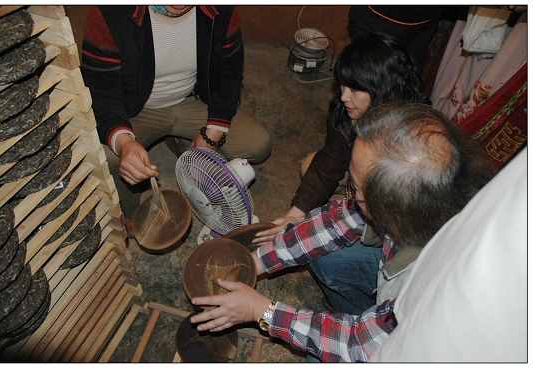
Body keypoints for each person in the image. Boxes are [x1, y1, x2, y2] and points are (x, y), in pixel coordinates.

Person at [189, 103, 493, 362]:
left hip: (422, 347)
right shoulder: (426, 201)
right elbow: (339, 221)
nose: (348, 191)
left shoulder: (436, 284)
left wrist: (263, 311)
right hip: (394, 302)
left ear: (391, 211)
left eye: (355, 188)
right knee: (327, 258)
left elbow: (356, 345)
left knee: (323, 353)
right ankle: (372, 316)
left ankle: (371, 320)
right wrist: (257, 262)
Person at [254, 32, 428, 315]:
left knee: (324, 256)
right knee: (310, 166)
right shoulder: (348, 110)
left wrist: (308, 230)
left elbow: (361, 220)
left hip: (398, 241)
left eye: (355, 89)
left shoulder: (410, 147)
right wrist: (296, 214)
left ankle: (360, 314)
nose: (344, 96)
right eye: (342, 86)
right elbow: (329, 162)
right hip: (366, 204)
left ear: (382, 89)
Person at [81, 5, 272, 219]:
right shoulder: (110, 11)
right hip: (138, 109)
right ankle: (132, 215)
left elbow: (230, 73)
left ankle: (180, 140)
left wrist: (213, 131)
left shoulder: (220, 8)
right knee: (104, 157)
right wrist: (124, 142)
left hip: (192, 99)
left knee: (257, 144)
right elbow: (100, 89)